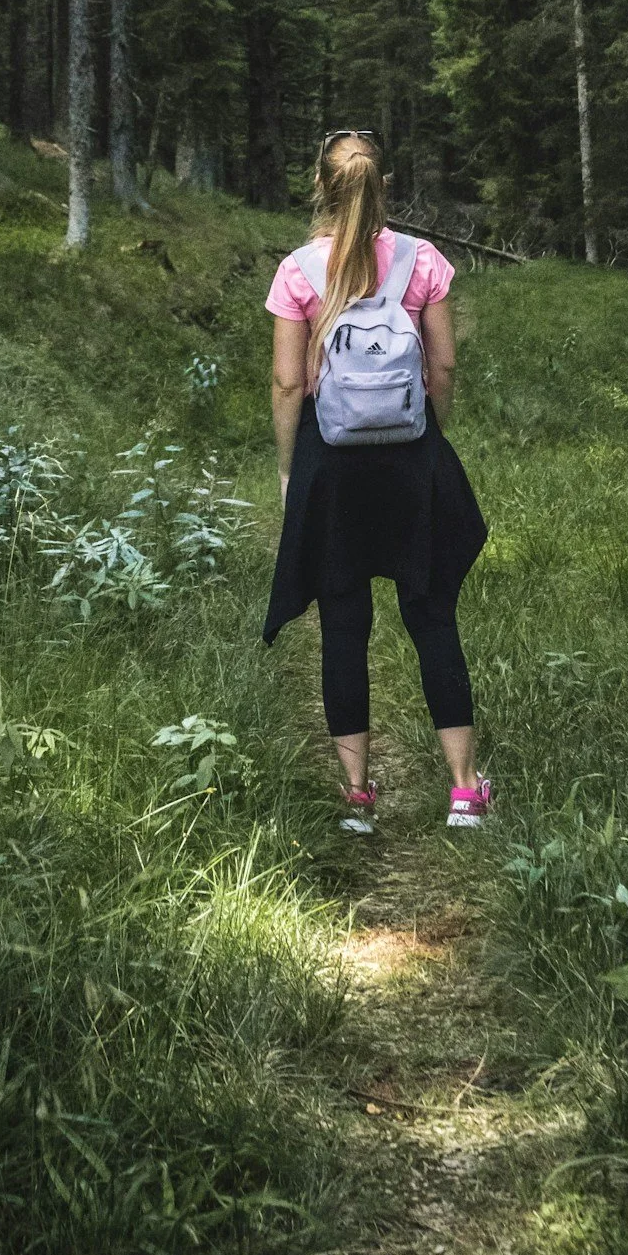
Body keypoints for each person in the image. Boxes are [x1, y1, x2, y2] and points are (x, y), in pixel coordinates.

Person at [262, 130, 491, 833]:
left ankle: (358, 798)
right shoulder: (422, 261)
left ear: (319, 187)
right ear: (382, 182)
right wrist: (431, 427)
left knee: (343, 624)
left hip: (334, 463)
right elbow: (443, 368)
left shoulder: (298, 270)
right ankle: (461, 791)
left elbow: (287, 382)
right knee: (431, 615)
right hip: (408, 455)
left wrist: (286, 468)